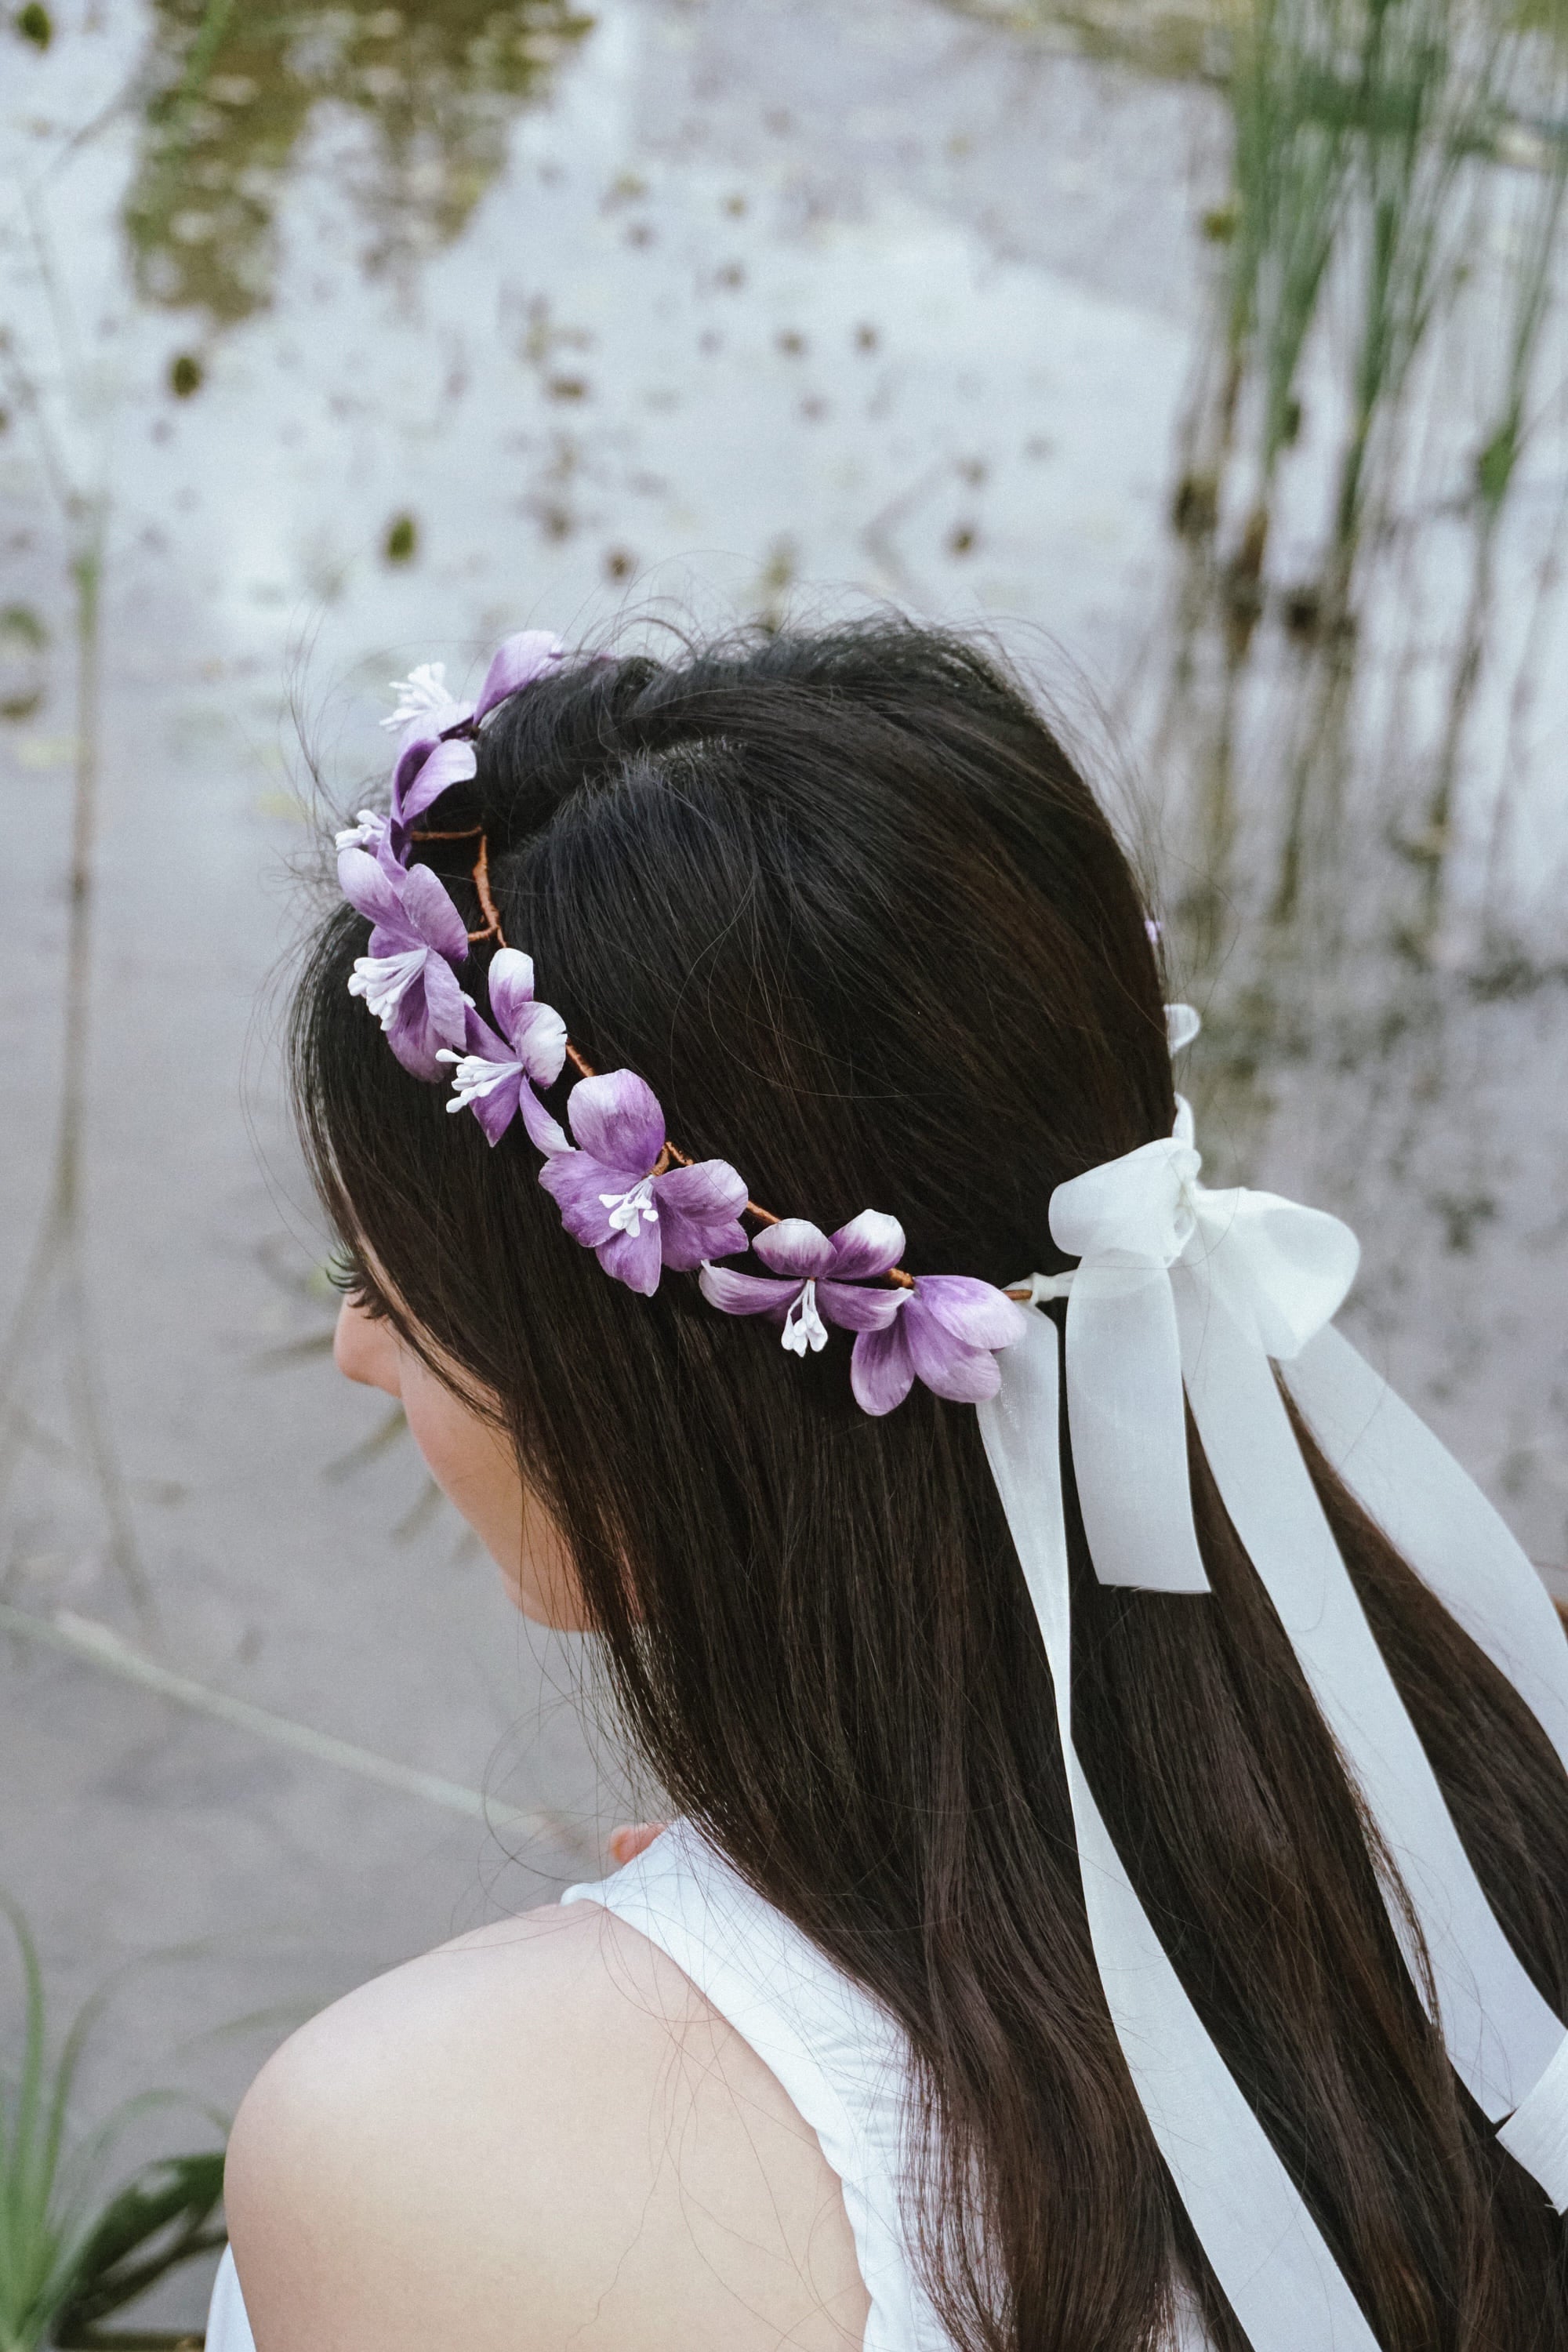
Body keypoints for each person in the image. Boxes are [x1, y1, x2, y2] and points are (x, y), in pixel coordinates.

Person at [214, 623, 1568, 2352]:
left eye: (392, 1283)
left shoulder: (412, 2155)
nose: (355, 1347)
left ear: (647, 1399)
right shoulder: (1493, 1784)